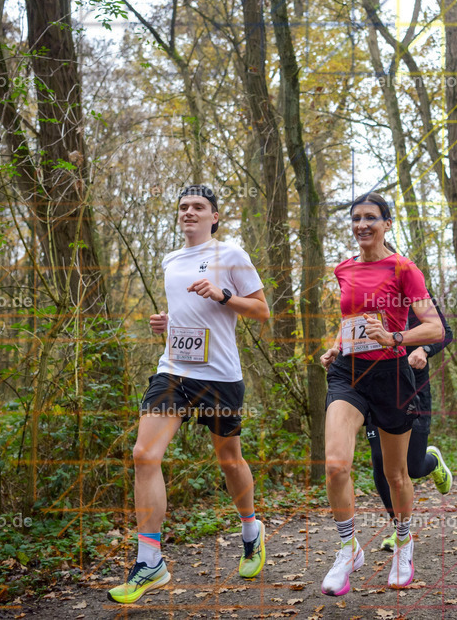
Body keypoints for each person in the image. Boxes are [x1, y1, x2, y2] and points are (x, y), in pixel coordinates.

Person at [109, 185, 271, 604]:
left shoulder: (231, 255)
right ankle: (150, 561)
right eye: (183, 207)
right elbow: (187, 313)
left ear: (214, 216)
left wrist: (223, 295)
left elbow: (261, 310)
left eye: (198, 207)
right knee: (144, 454)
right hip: (174, 371)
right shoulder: (170, 260)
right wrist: (167, 323)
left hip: (219, 376)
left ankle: (251, 529)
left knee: (229, 459)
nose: (189, 213)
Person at [318, 192, 443, 595]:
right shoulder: (343, 269)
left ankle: (403, 542)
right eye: (356, 218)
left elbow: (435, 328)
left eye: (371, 218)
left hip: (392, 374)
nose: (362, 225)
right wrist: (337, 344)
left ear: (387, 224)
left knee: (395, 474)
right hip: (348, 373)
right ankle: (347, 547)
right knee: (336, 465)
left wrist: (395, 337)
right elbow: (350, 320)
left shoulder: (404, 268)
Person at [369, 299, 454, 552]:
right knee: (380, 459)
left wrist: (424, 350)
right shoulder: (367, 294)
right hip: (377, 386)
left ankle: (433, 461)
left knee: (413, 468)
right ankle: (399, 530)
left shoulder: (414, 293)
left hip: (412, 388)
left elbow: (444, 333)